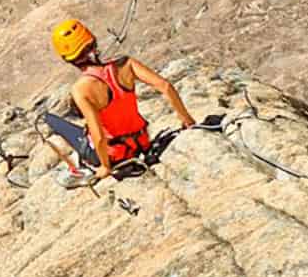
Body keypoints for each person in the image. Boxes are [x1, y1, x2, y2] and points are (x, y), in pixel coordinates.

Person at [44, 18, 196, 180]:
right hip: (142, 143)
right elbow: (165, 86)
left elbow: (99, 136)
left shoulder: (81, 89)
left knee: (52, 121)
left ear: (69, 58)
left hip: (115, 155)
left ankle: (50, 124)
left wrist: (105, 167)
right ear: (92, 40)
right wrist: (186, 119)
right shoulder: (126, 64)